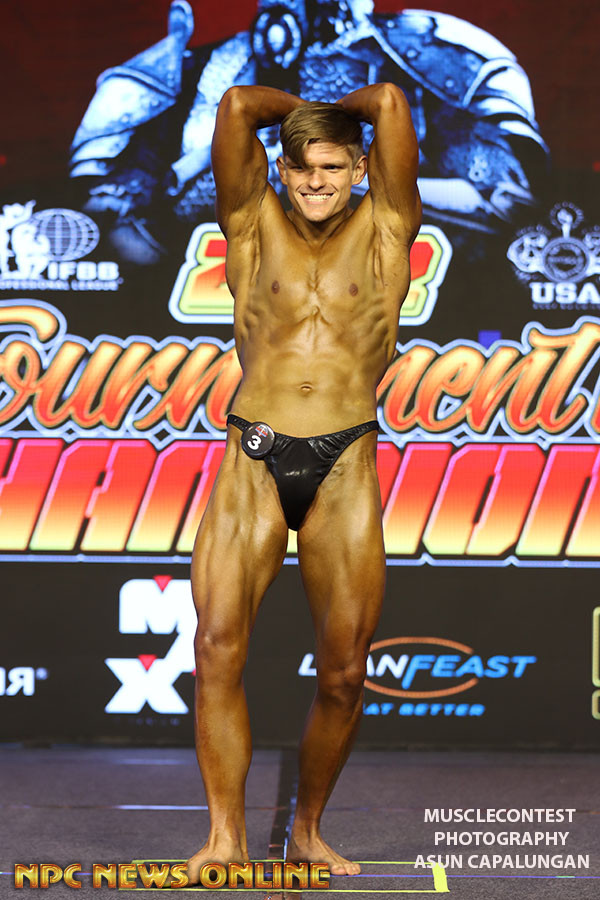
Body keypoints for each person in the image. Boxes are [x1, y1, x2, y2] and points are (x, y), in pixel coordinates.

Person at [186, 81, 421, 882]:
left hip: (345, 466)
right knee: (217, 648)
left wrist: (330, 118)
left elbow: (388, 102)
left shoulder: (388, 226)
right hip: (252, 457)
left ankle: (309, 831)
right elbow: (234, 108)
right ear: (280, 170)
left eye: (332, 166)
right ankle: (225, 837)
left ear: (360, 168)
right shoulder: (251, 222)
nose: (316, 181)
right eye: (301, 167)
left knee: (345, 672)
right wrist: (303, 121)